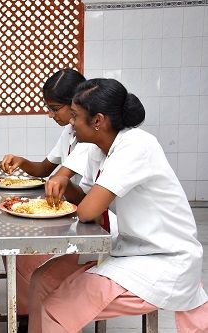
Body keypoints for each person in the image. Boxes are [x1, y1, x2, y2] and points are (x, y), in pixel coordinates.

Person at [28, 78, 208, 333]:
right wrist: (64, 184)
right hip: (130, 251)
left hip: (164, 260)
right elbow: (87, 202)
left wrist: (66, 178)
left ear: (98, 121)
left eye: (76, 116)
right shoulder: (98, 148)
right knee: (43, 280)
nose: (70, 122)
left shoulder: (137, 146)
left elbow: (88, 211)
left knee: (57, 309)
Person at [0, 68, 89, 330]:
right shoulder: (69, 133)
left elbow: (67, 184)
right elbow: (44, 171)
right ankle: (28, 311)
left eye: (54, 108)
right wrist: (21, 161)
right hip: (72, 208)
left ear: (76, 106)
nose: (50, 114)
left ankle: (34, 312)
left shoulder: (90, 137)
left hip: (85, 219)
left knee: (21, 248)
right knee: (11, 243)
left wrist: (59, 182)